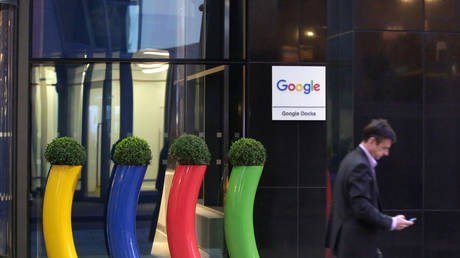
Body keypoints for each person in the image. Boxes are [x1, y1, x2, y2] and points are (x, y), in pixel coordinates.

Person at [325, 119, 414, 258]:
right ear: (372, 141)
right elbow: (361, 207)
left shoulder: (351, 159)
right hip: (356, 246)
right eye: (384, 148)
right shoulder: (360, 166)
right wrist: (392, 222)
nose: (386, 153)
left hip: (349, 243)